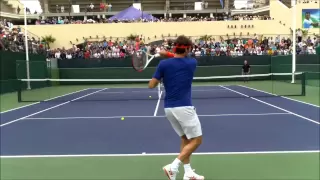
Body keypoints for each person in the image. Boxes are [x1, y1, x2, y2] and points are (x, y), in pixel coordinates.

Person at [148, 35, 204, 180]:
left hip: (169, 109)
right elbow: (178, 57)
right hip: (184, 107)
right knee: (197, 140)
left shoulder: (163, 65)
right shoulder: (192, 63)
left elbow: (151, 85)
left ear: (175, 47)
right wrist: (167, 54)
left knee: (185, 139)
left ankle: (188, 173)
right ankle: (173, 166)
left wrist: (161, 73)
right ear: (188, 49)